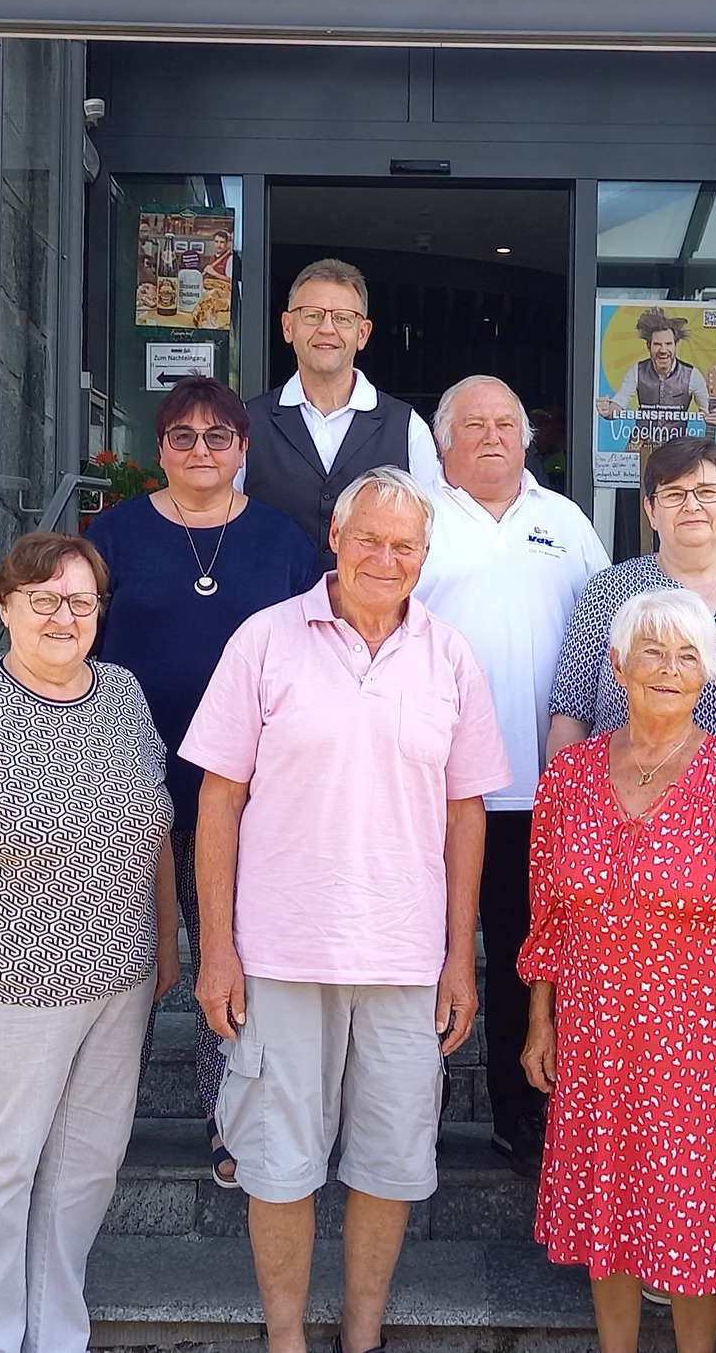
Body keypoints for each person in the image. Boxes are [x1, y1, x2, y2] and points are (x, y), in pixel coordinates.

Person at [181, 467, 511, 1353]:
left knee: (392, 1163)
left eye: (405, 545)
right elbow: (218, 799)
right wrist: (218, 948)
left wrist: (459, 956)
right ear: (335, 535)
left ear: (425, 556)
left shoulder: (449, 655)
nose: (385, 557)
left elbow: (465, 812)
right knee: (278, 1167)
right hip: (281, 950)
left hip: (405, 959)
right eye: (369, 537)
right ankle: (285, 1336)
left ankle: (361, 1334)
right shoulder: (265, 640)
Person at [0, 531, 179, 1353]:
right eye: (44, 598)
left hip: (117, 987)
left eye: (80, 601)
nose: (64, 615)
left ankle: (55, 1335)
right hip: (5, 991)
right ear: (8, 607)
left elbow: (154, 824)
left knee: (85, 1170)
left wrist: (166, 941)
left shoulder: (122, 693)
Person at [520, 587, 716, 1353]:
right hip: (595, 1032)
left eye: (687, 656)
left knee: (690, 1221)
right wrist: (541, 1020)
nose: (668, 669)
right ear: (617, 664)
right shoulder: (567, 779)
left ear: (708, 674)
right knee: (606, 1210)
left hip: (698, 1043)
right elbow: (548, 915)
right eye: (652, 651)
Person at [86, 375, 318, 1187]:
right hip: (129, 786)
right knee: (133, 962)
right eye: (182, 437)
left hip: (247, 796)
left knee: (231, 961)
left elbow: (316, 652)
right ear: (161, 451)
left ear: (242, 450)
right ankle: (98, 1129)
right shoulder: (114, 536)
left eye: (218, 436)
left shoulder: (285, 542)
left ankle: (229, 1123)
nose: (201, 451)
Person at [413, 374, 608, 1176]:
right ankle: (410, 1118)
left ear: (528, 439)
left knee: (533, 957)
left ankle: (520, 1116)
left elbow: (604, 631)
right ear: (443, 440)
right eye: (474, 424)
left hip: (545, 792)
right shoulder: (416, 516)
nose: (492, 436)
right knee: (428, 954)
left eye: (506, 423)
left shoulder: (563, 521)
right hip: (432, 791)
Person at [548, 438, 716, 775]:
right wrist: (570, 802)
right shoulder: (608, 591)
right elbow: (570, 715)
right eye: (674, 494)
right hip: (628, 816)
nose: (692, 505)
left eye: (707, 492)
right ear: (651, 510)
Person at [244, 257, 443, 565]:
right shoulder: (245, 423)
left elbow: (431, 537)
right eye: (312, 315)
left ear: (362, 333)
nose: (327, 329)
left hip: (372, 611)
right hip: (271, 610)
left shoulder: (408, 428)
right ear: (287, 326)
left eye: (343, 318)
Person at [595, 307, 716, 442]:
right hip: (641, 445)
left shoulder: (692, 375)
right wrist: (608, 410)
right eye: (657, 344)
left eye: (668, 344)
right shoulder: (637, 371)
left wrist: (715, 416)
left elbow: (709, 412)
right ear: (648, 346)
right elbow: (618, 404)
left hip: (675, 449)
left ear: (675, 346)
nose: (663, 350)